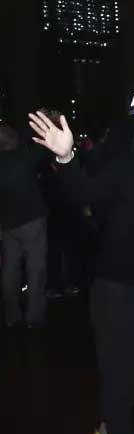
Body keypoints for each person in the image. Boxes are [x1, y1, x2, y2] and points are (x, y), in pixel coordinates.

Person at [28, 107, 134, 434]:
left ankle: (108, 431)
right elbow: (83, 194)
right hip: (114, 289)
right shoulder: (127, 169)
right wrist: (66, 157)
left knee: (125, 366)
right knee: (121, 372)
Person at [0, 124, 49, 328]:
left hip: (7, 224)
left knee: (9, 269)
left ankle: (12, 315)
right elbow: (44, 145)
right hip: (31, 221)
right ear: (12, 140)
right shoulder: (23, 157)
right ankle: (34, 317)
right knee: (35, 269)